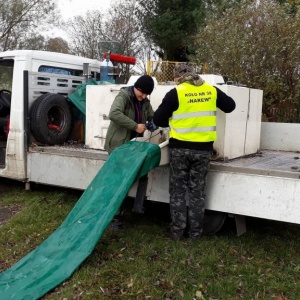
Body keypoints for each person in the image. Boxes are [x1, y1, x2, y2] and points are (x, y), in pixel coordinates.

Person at [153, 63, 236, 240]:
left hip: (180, 150)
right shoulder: (211, 90)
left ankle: (177, 232)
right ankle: (196, 233)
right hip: (203, 151)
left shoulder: (176, 92)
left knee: (178, 192)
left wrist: (172, 122)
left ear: (178, 77)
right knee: (197, 193)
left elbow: (158, 119)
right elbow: (230, 106)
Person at [104, 74, 155, 154]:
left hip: (135, 146)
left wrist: (154, 123)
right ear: (138, 88)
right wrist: (135, 126)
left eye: (147, 94)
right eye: (143, 93)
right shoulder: (123, 96)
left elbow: (152, 116)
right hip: (119, 146)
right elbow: (114, 113)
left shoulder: (145, 102)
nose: (144, 97)